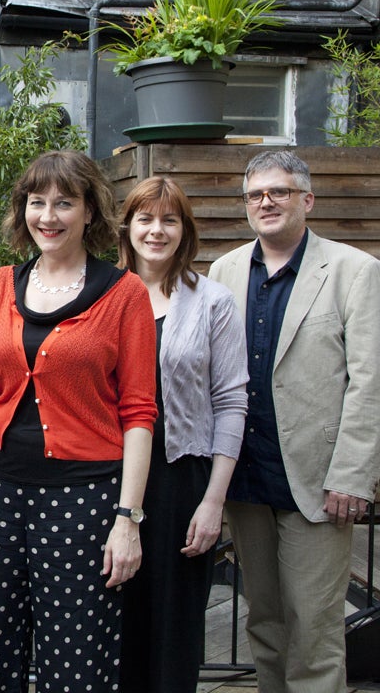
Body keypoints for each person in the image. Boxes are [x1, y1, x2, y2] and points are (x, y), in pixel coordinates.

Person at [0, 149, 157, 692]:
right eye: (37, 202)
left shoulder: (125, 294)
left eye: (65, 203)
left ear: (90, 212)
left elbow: (139, 413)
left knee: (76, 653)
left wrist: (127, 518)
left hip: (84, 500)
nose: (48, 216)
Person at [208, 150, 380, 693]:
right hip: (246, 477)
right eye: (255, 194)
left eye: (278, 192)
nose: (266, 202)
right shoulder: (225, 271)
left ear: (307, 199)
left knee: (315, 627)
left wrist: (352, 475)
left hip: (317, 480)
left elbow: (370, 382)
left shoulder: (356, 271)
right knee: (264, 620)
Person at [116, 176, 249, 693]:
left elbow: (232, 402)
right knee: (113, 614)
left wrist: (214, 501)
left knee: (175, 625)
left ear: (184, 231)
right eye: (146, 218)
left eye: (169, 220)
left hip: (181, 482)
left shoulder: (213, 301)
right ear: (127, 226)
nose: (156, 230)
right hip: (108, 478)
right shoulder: (102, 294)